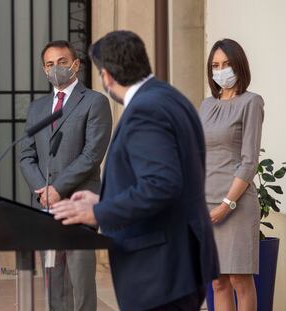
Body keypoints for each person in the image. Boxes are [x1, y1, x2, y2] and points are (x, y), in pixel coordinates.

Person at [51, 30, 220, 311]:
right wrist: (103, 200)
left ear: (106, 76)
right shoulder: (170, 96)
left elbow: (161, 184)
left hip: (160, 270)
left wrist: (98, 212)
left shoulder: (145, 109)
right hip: (180, 263)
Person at [19, 40, 112, 311]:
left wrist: (57, 188)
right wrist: (43, 189)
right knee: (54, 275)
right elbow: (26, 156)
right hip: (47, 202)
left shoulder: (95, 102)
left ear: (76, 65)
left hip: (80, 200)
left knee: (80, 277)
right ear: (43, 69)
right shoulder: (38, 107)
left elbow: (92, 155)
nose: (56, 68)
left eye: (62, 62)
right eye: (50, 64)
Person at [199, 38, 264, 311]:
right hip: (206, 202)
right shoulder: (205, 105)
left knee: (239, 278)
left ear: (238, 65)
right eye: (215, 65)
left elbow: (249, 161)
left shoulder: (252, 102)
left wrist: (227, 204)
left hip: (235, 203)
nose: (220, 70)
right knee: (217, 282)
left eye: (226, 63)